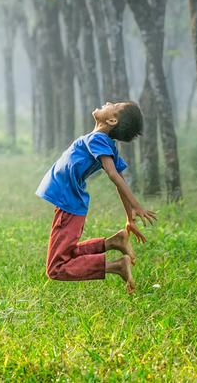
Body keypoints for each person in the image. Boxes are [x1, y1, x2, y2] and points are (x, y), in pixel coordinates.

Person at [35, 101, 157, 294]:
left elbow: (114, 175)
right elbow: (119, 180)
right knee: (66, 254)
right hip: (69, 202)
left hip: (69, 203)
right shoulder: (103, 142)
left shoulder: (99, 139)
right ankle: (113, 242)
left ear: (111, 120)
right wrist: (129, 218)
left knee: (56, 268)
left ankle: (116, 266)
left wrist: (136, 206)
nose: (108, 102)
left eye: (114, 105)